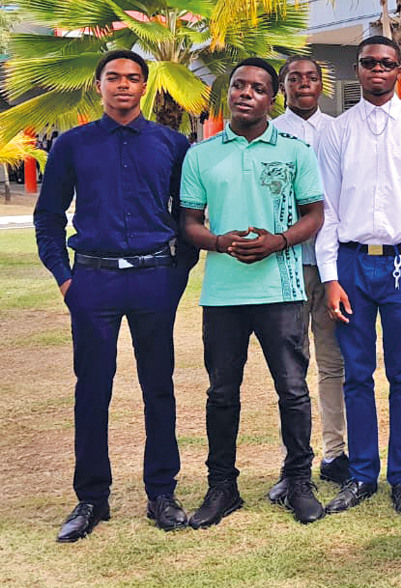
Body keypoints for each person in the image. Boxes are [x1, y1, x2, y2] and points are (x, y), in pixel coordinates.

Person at [34, 50, 195, 542]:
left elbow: (188, 217)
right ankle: (91, 498)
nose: (123, 85)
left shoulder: (171, 143)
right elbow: (48, 217)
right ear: (99, 85)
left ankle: (162, 493)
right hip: (93, 282)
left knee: (158, 387)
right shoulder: (73, 145)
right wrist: (66, 279)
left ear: (144, 86)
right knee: (92, 389)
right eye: (113, 78)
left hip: (154, 279)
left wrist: (176, 275)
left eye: (132, 78)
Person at [180, 58, 326, 527]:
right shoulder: (201, 155)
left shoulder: (294, 152)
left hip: (281, 288)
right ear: (229, 93)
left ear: (272, 98)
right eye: (239, 86)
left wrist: (278, 241)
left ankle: (298, 481)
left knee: (292, 390)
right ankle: (222, 487)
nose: (246, 93)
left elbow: (315, 214)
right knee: (222, 393)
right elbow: (188, 223)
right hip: (223, 294)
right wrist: (220, 242)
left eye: (258, 88)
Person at [315, 36, 401, 517]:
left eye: (387, 64)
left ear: (399, 72)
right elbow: (326, 209)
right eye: (369, 63)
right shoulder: (337, 132)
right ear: (358, 69)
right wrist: (331, 276)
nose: (377, 70)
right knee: (356, 373)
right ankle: (362, 475)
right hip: (350, 264)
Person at [268, 57, 350, 497]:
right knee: (291, 367)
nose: (304, 84)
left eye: (312, 77)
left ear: (322, 84)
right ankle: (293, 461)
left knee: (333, 363)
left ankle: (335, 453)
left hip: (332, 264)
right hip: (288, 263)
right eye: (295, 78)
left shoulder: (338, 130)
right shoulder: (270, 133)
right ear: (283, 86)